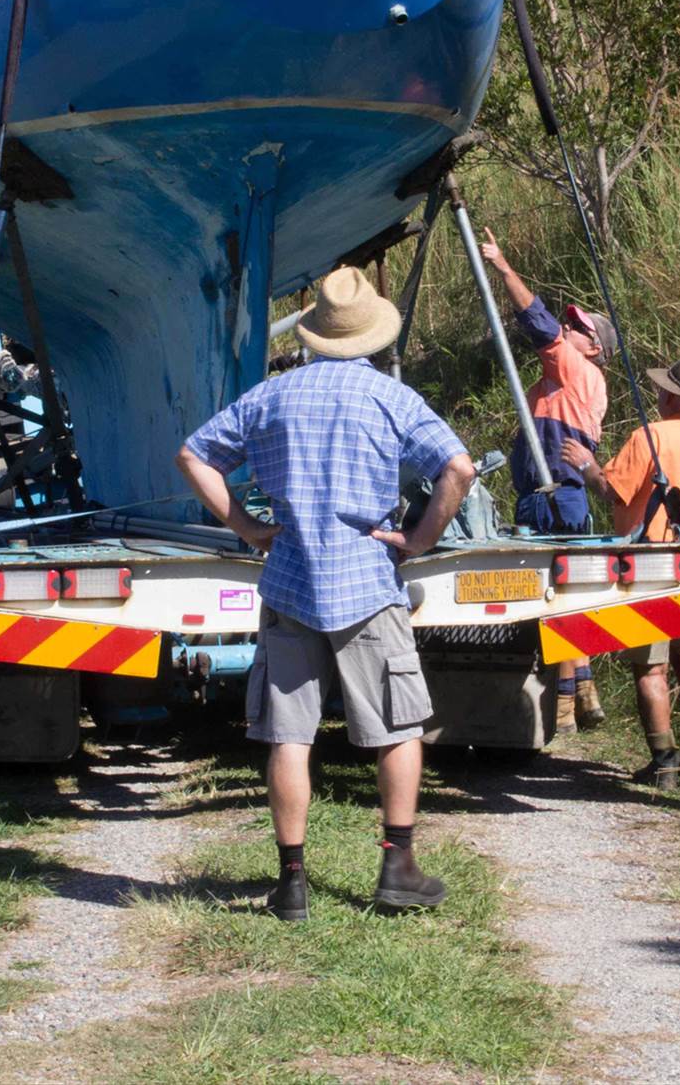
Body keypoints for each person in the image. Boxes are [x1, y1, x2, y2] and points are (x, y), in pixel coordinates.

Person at [177, 266, 477, 921]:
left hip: (290, 578)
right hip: (368, 580)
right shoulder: (390, 398)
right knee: (398, 726)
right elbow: (459, 466)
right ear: (370, 335)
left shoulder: (272, 397)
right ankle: (396, 865)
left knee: (290, 734)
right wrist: (420, 538)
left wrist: (250, 526)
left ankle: (291, 882)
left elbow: (194, 454)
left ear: (313, 334)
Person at [564, 352, 680, 790]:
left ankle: (664, 758)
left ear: (672, 396)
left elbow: (613, 491)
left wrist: (585, 465)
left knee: (649, 667)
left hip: (651, 560)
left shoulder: (648, 436)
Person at [476, 229, 615, 736]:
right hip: (544, 498)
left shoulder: (577, 370)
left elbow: (537, 321)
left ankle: (564, 700)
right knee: (559, 597)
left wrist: (503, 266)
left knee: (557, 599)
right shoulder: (559, 381)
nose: (566, 328)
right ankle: (581, 688)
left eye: (576, 326)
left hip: (559, 498)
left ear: (593, 346)